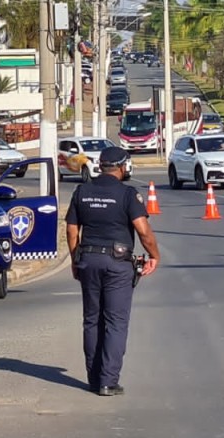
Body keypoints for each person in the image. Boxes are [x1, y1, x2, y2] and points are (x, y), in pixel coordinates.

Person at [65, 147, 161, 396]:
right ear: (121, 167)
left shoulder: (82, 191)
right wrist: (154, 255)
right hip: (117, 263)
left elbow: (71, 230)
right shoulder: (127, 194)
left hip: (88, 259)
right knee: (115, 322)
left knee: (91, 320)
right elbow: (143, 230)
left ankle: (94, 379)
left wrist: (76, 259)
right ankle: (108, 381)